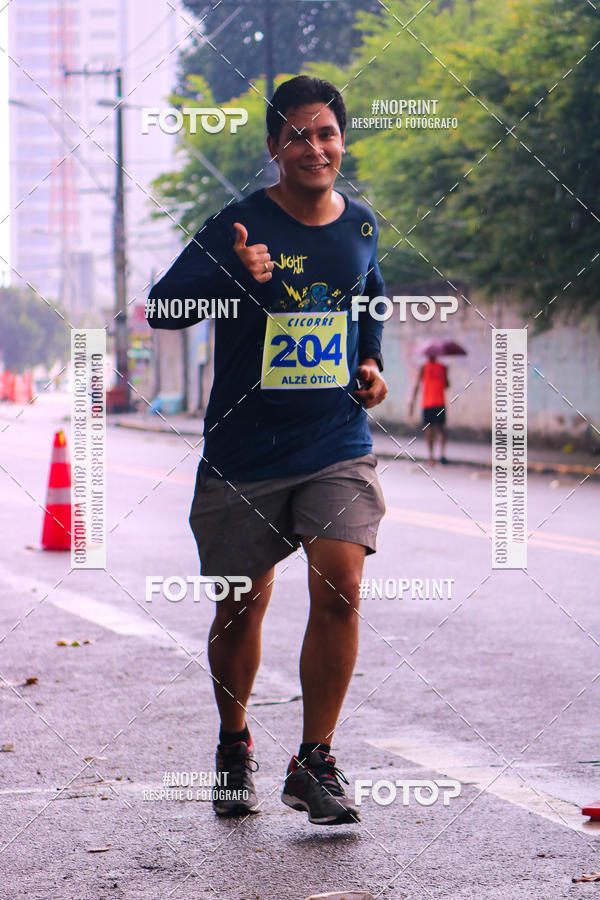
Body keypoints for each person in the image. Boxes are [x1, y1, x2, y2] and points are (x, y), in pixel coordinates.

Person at [147, 75, 388, 826]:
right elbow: (163, 308)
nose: (315, 148)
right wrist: (231, 275)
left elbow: (369, 298)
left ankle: (314, 760)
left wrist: (371, 362)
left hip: (335, 440)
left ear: (343, 141)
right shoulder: (238, 224)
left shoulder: (361, 224)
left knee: (341, 583)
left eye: (327, 133)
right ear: (274, 148)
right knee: (241, 606)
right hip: (245, 453)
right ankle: (234, 743)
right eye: (297, 136)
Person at [409, 352, 449, 464]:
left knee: (438, 429)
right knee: (434, 429)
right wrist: (412, 402)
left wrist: (446, 373)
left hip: (436, 403)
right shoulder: (426, 367)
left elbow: (446, 385)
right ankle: (433, 456)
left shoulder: (441, 367)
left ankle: (439, 455)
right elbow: (447, 385)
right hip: (431, 403)